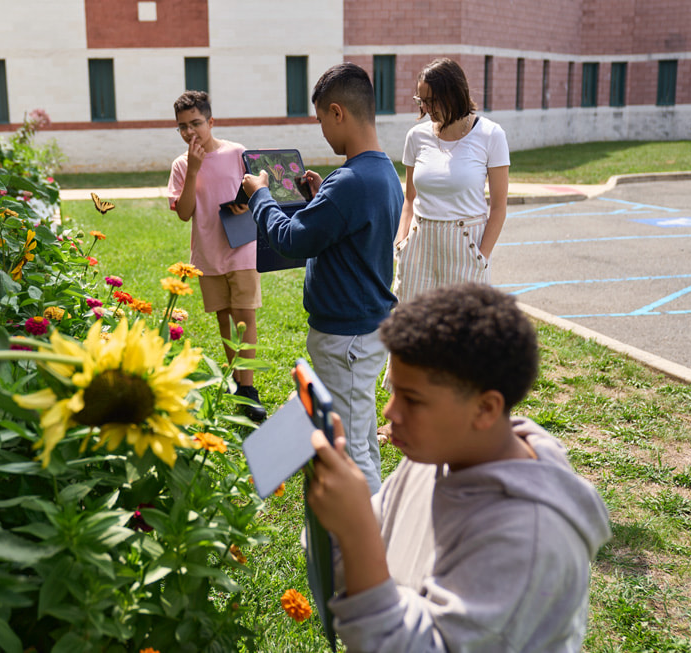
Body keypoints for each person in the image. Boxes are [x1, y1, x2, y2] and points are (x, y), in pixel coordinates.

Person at [306, 284, 612, 652]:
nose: (389, 413)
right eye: (394, 392)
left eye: (412, 400)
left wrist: (355, 530)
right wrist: (332, 505)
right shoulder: (438, 457)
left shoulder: (528, 540)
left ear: (485, 409)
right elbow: (352, 564)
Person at [243, 62, 402, 494]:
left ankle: (367, 549)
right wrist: (318, 199)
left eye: (320, 121)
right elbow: (348, 234)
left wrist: (260, 196)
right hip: (363, 328)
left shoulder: (349, 182)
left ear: (338, 112)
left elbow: (291, 240)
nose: (322, 132)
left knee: (351, 452)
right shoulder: (382, 171)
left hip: (346, 338)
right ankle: (370, 529)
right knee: (362, 436)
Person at [167, 90, 266, 422]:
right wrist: (194, 169)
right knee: (224, 318)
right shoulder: (181, 165)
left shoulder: (236, 153)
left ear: (211, 121)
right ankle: (237, 380)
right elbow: (184, 213)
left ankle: (248, 390)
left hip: (241, 247)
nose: (190, 131)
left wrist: (246, 202)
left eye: (196, 123)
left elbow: (255, 190)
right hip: (208, 253)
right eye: (183, 126)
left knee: (244, 316)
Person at [393, 58, 510, 303]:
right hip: (419, 244)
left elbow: (499, 207)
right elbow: (410, 197)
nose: (425, 108)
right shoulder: (416, 137)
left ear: (454, 94)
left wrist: (481, 257)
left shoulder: (491, 135)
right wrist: (402, 241)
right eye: (420, 101)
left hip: (465, 245)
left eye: (431, 101)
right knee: (414, 330)